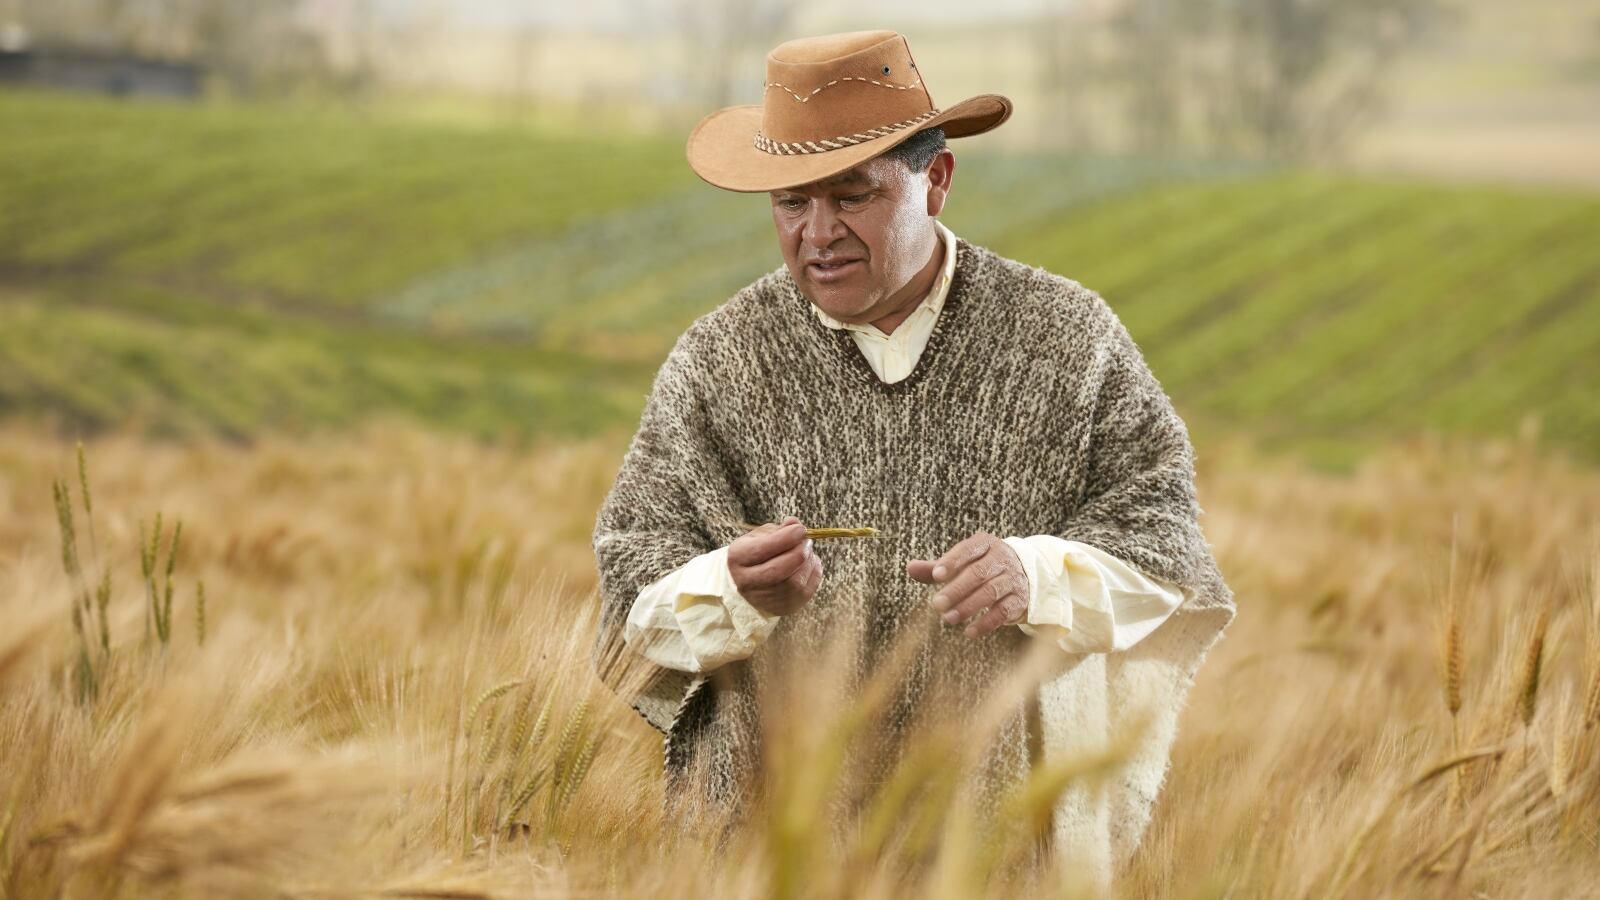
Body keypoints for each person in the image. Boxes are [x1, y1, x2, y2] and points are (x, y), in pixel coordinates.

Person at [591, 29, 1236, 892]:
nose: (818, 233)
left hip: (1007, 856)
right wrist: (729, 593)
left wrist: (1037, 576)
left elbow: (1169, 551)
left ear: (935, 181)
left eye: (851, 195)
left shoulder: (1069, 340)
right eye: (790, 203)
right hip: (763, 861)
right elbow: (629, 602)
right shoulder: (716, 362)